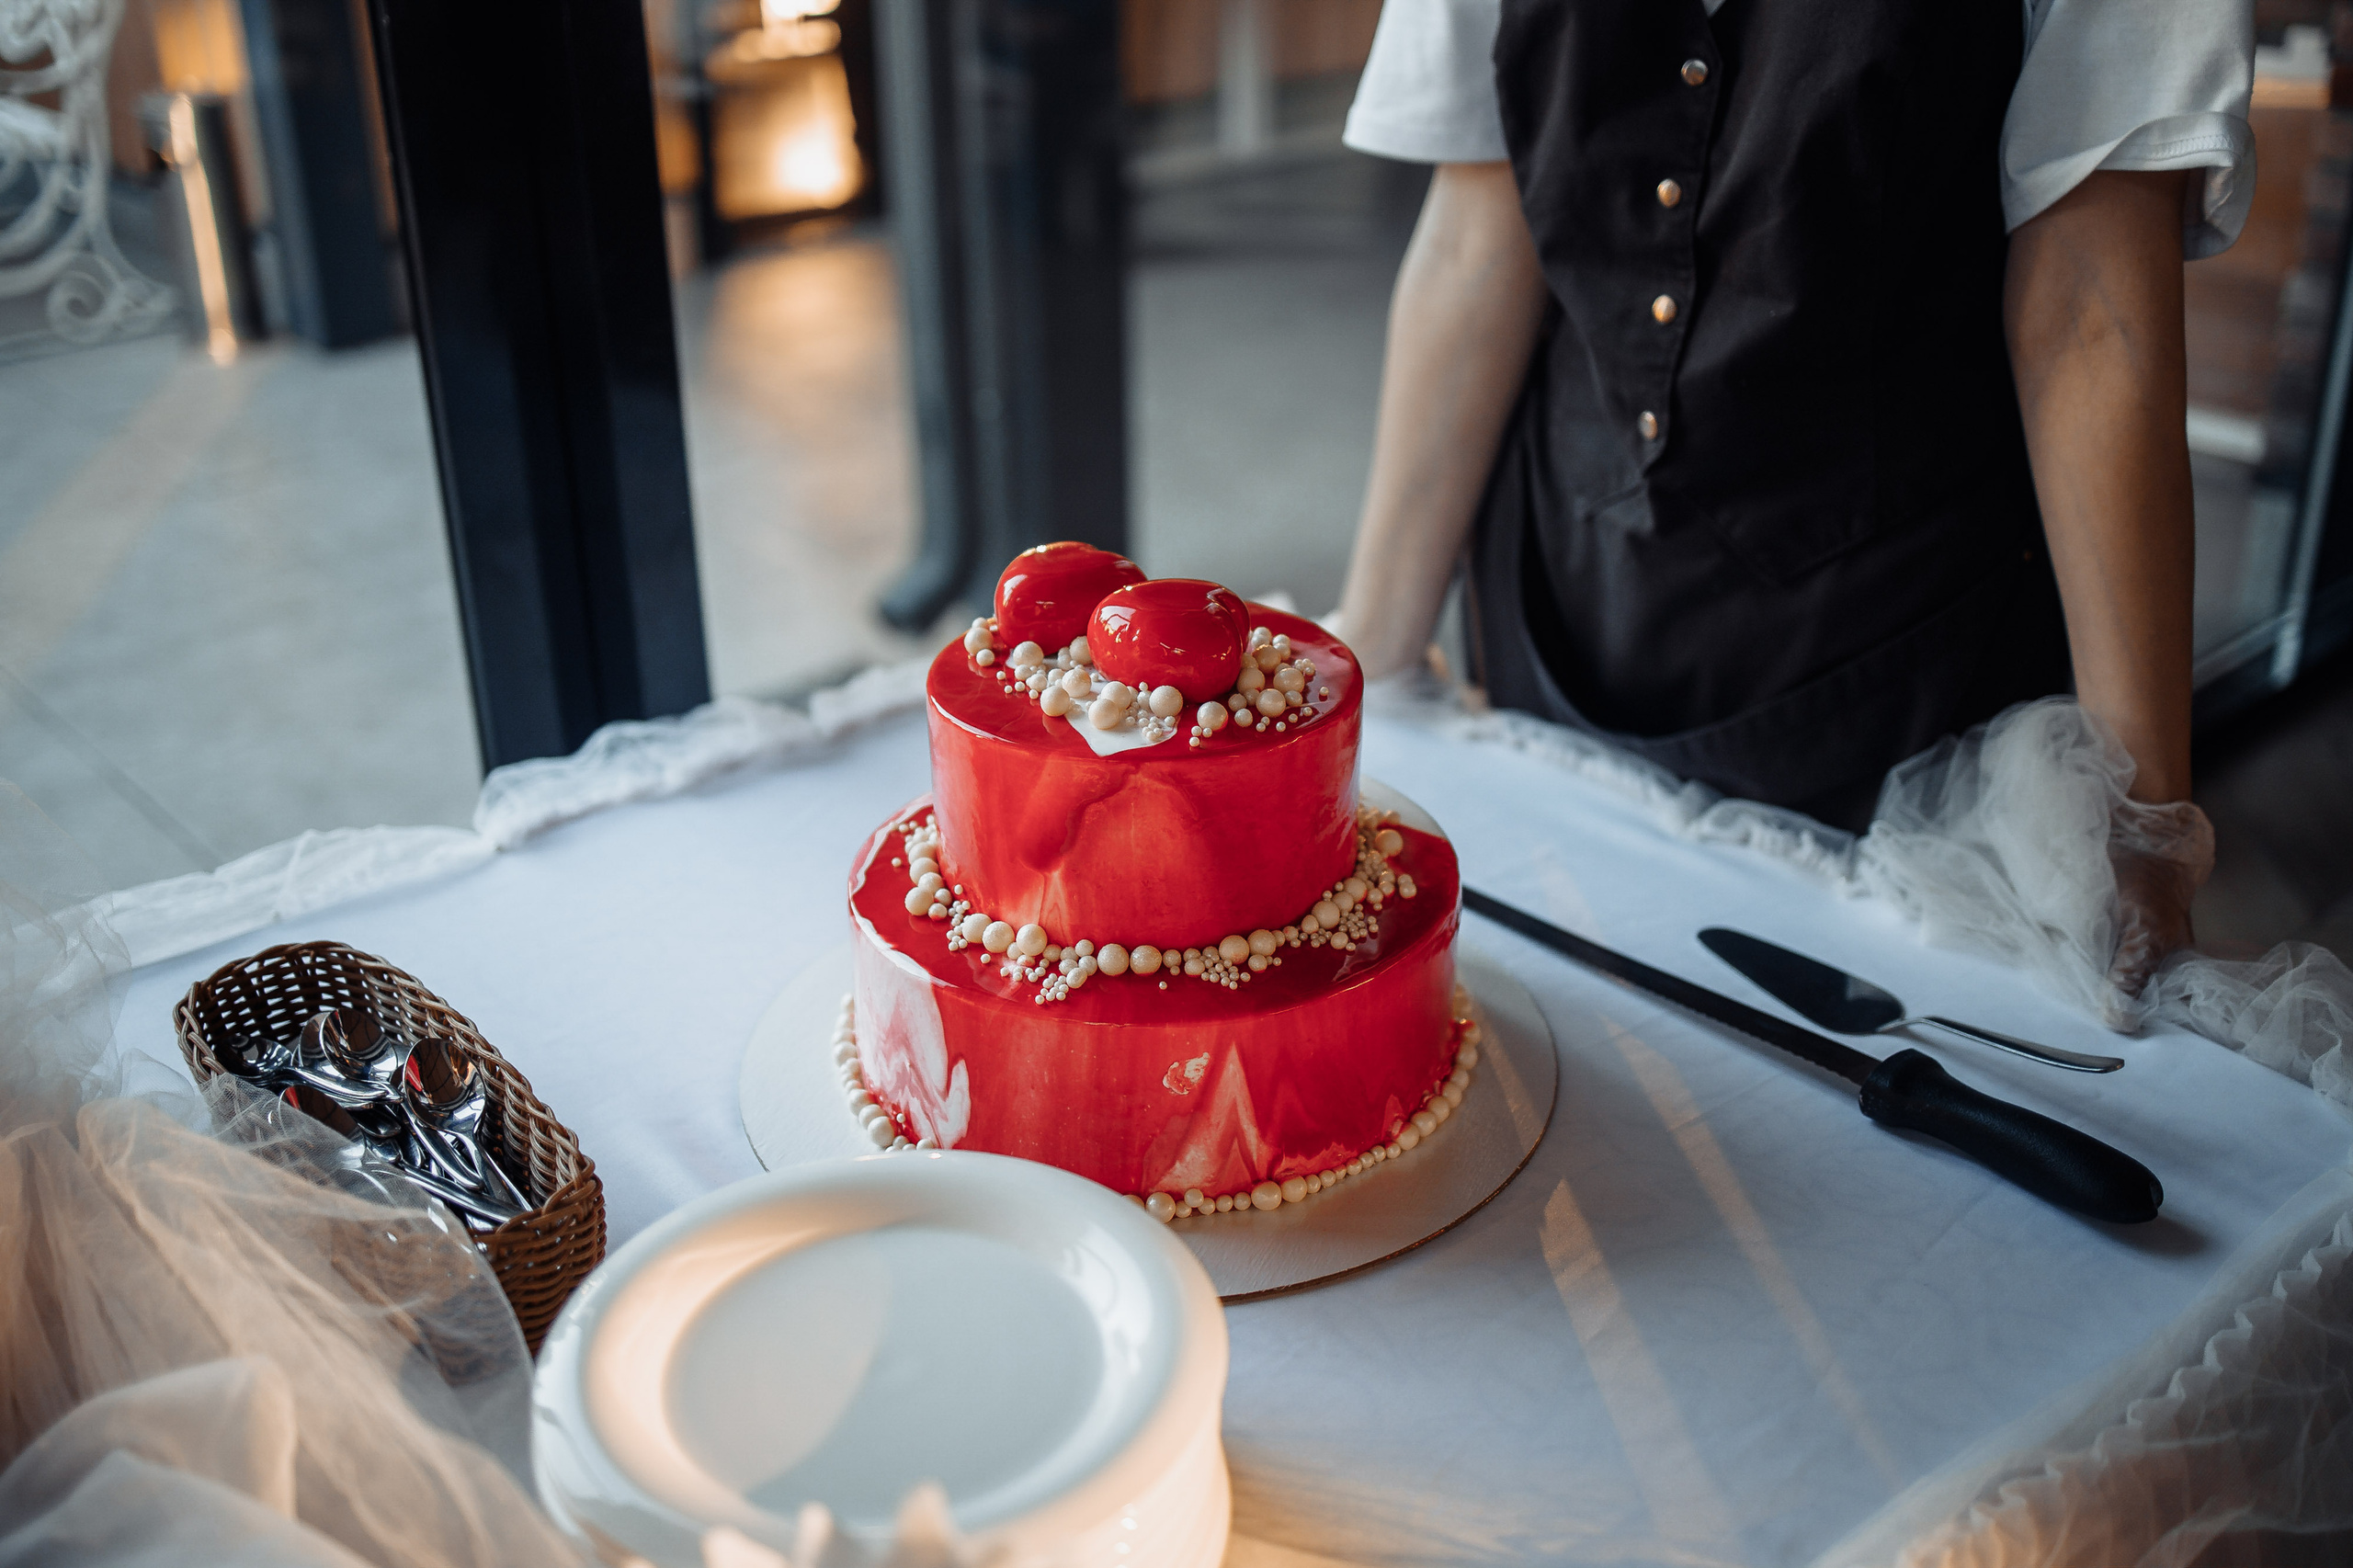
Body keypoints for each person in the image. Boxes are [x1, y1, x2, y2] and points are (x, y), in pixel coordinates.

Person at [1332, 0, 2252, 986]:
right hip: (1560, 614)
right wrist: (1371, 657)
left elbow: (2090, 310)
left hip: (1896, 689)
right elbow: (1480, 222)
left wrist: (2141, 826)